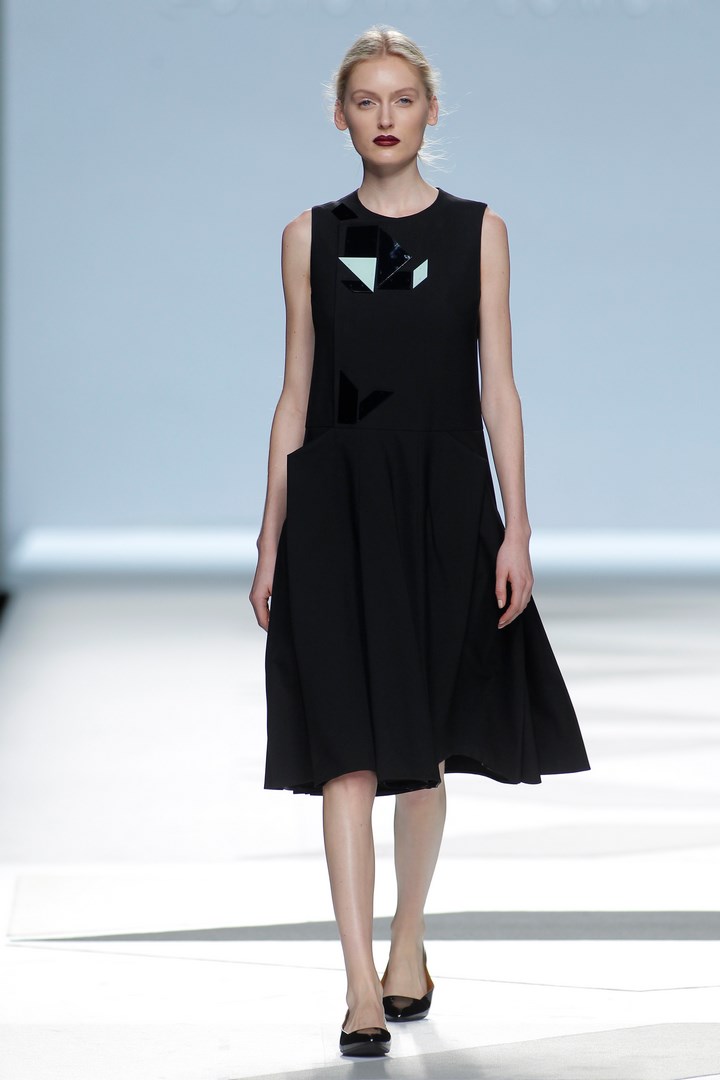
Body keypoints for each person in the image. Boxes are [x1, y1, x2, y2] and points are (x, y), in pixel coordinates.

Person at [249, 24, 591, 1059]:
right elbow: (297, 389)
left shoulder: (479, 231)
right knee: (345, 750)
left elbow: (498, 385)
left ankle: (407, 944)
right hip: (338, 501)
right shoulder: (310, 236)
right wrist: (270, 537)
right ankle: (360, 984)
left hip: (443, 502)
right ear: (341, 116)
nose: (386, 117)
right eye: (366, 100)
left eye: (403, 99)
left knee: (424, 743)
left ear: (431, 112)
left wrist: (517, 524)